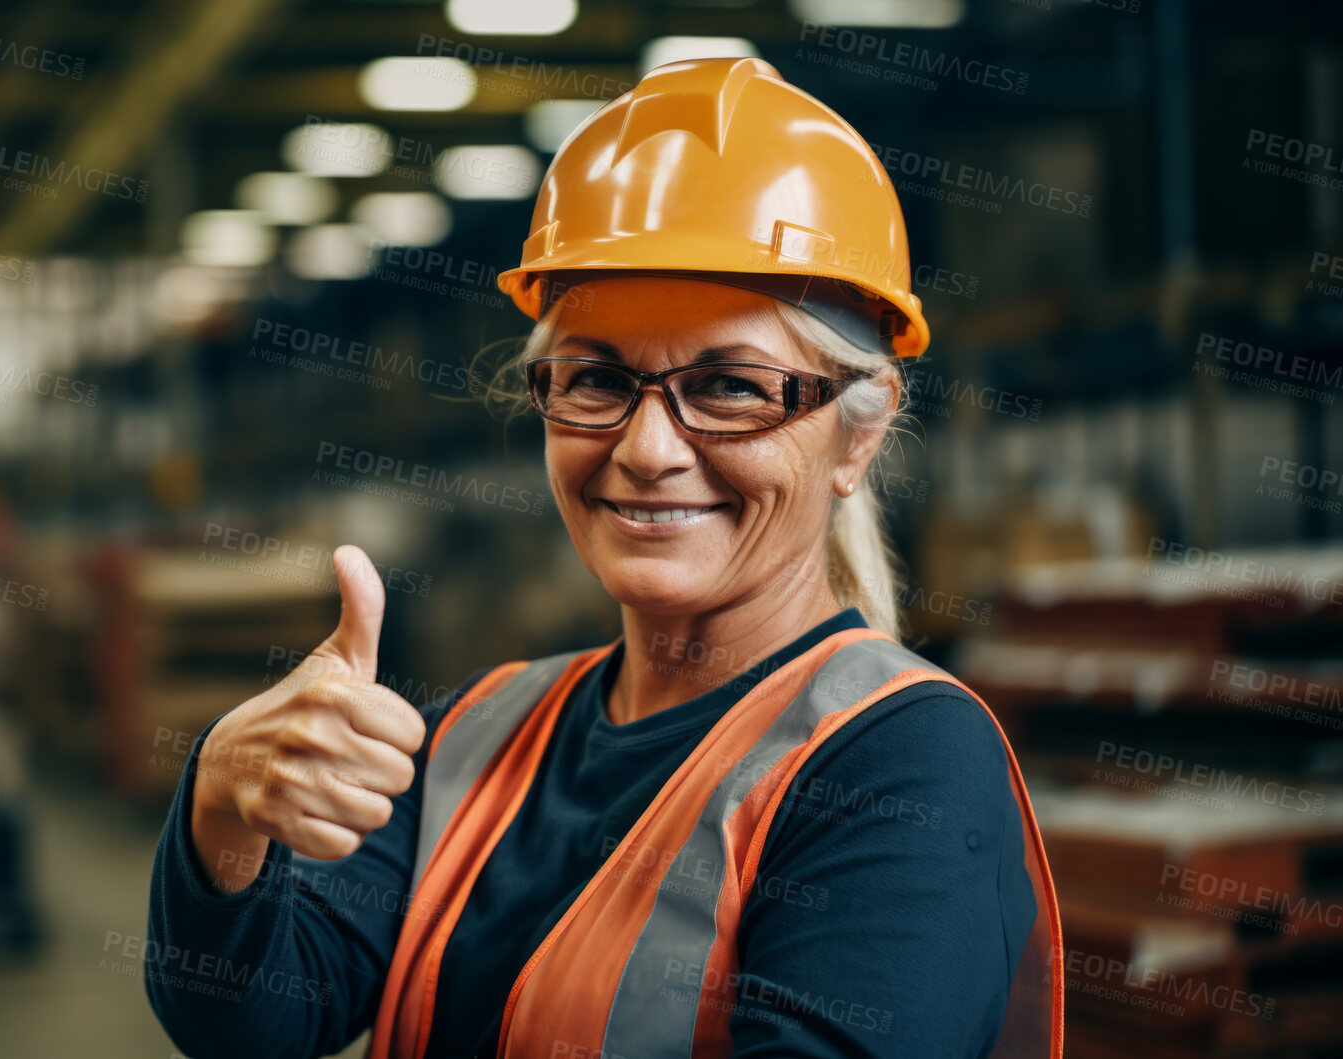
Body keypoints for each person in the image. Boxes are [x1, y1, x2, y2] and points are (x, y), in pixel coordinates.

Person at [145, 57, 1062, 1059]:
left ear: (855, 437)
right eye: (594, 379)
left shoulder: (898, 763)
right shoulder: (474, 736)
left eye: (728, 386)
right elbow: (256, 1019)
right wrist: (222, 804)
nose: (646, 448)